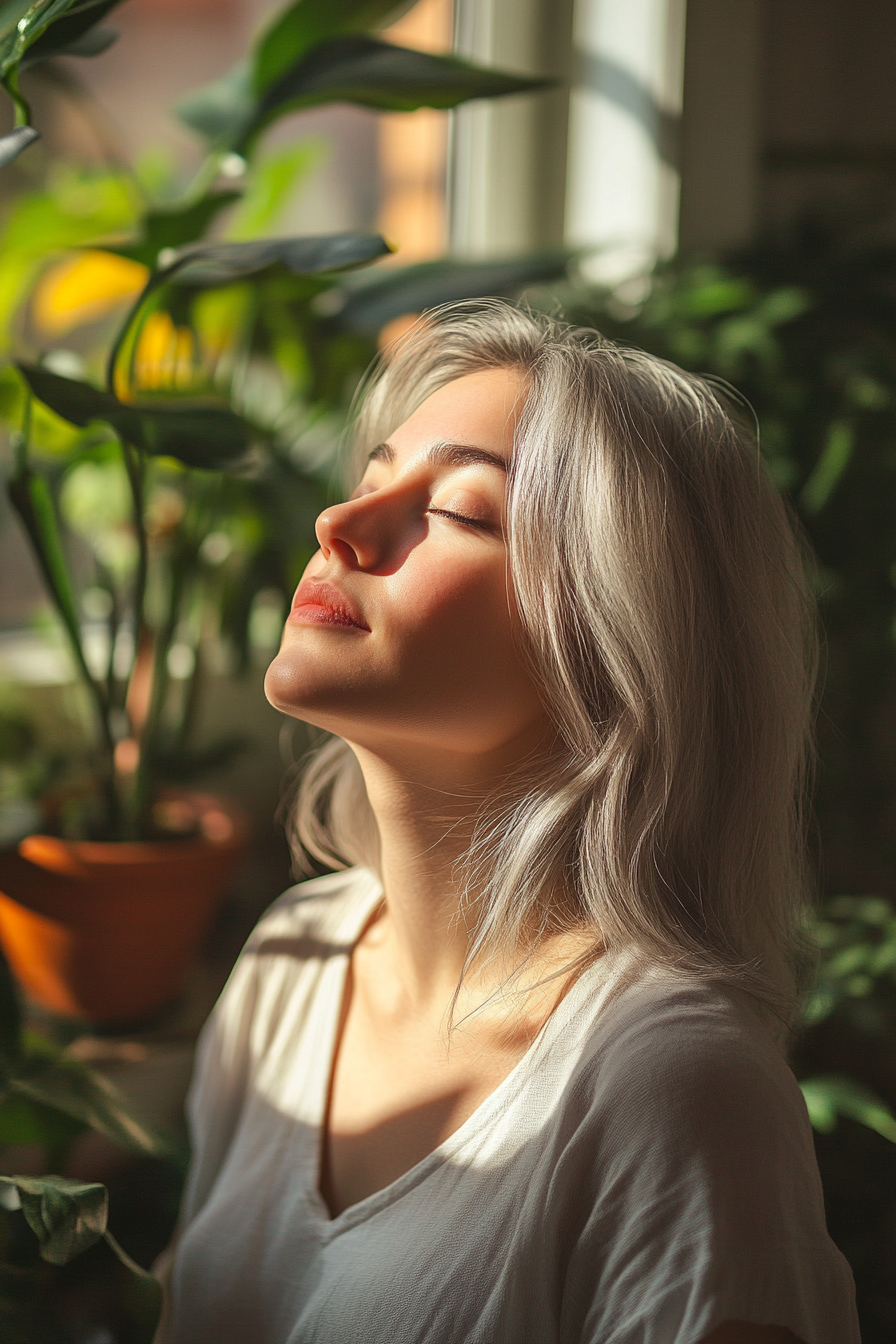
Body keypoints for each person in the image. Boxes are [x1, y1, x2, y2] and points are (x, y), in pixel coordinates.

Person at [162, 302, 860, 1344]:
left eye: (456, 510)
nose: (339, 526)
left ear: (611, 647)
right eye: (372, 475)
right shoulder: (293, 960)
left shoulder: (669, 1091)